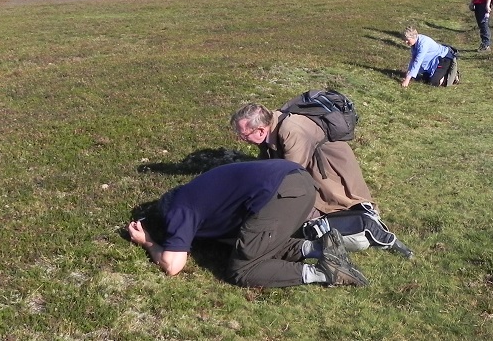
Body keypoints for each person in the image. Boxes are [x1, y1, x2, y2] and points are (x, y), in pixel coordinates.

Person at [125, 159, 368, 287]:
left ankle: (325, 273)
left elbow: (172, 266)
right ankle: (320, 248)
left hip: (281, 194)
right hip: (299, 182)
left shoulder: (180, 211)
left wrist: (147, 242)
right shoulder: (194, 195)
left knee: (243, 270)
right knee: (250, 244)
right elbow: (237, 237)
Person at [229, 103, 414, 258]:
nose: (242, 140)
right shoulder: (273, 127)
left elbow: (290, 176)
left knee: (311, 224)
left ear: (261, 130)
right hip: (317, 172)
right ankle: (357, 222)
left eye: (244, 135)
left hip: (331, 173)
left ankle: (368, 225)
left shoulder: (290, 130)